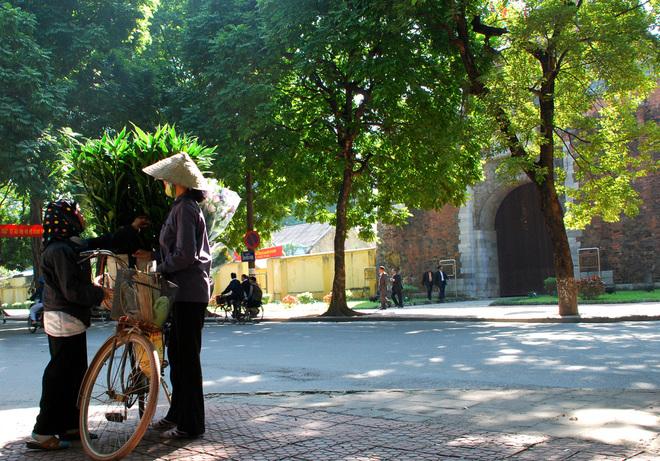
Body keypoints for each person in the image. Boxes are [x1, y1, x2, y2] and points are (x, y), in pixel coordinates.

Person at [27, 199, 112, 450]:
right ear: (66, 218)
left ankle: (71, 426)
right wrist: (99, 293)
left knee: (75, 374)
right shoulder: (60, 250)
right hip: (64, 318)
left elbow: (93, 244)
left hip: (68, 318)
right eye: (77, 212)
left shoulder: (66, 246)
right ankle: (43, 431)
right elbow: (72, 291)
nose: (81, 216)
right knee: (60, 376)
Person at [142, 152, 211, 440]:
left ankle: (192, 424)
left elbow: (184, 255)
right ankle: (178, 414)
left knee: (186, 360)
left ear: (177, 182)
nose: (163, 185)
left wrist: (160, 267)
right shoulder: (183, 206)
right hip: (184, 292)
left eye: (166, 181)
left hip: (188, 292)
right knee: (179, 357)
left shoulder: (185, 208)